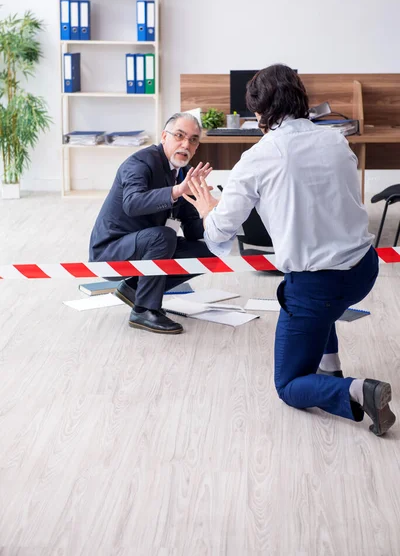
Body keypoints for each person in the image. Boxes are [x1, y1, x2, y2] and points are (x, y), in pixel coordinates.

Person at [183, 64, 396, 436]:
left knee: (289, 384)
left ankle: (361, 391)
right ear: (301, 99)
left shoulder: (258, 157)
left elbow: (219, 231)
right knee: (320, 305)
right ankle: (330, 369)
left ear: (259, 112)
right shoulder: (335, 139)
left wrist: (205, 208)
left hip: (318, 287)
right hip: (364, 269)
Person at [89, 112, 214, 334]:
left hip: (146, 246)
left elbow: (193, 230)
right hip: (111, 251)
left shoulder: (183, 174)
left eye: (193, 140)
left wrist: (211, 212)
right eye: (179, 135)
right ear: (164, 136)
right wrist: (176, 191)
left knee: (211, 250)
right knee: (163, 236)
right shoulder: (139, 162)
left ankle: (134, 288)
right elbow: (132, 203)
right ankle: (144, 310)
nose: (186, 144)